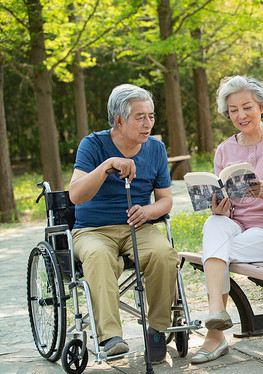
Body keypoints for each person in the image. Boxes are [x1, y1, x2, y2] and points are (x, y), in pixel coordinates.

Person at [191, 76, 263, 364]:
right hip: (240, 229)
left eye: (247, 107)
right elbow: (227, 206)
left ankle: (214, 331)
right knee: (213, 225)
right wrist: (219, 208)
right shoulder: (224, 150)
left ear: (261, 106)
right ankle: (217, 318)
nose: (240, 115)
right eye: (233, 110)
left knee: (214, 255)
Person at [68, 84, 180, 364]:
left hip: (138, 227)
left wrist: (149, 211)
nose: (148, 123)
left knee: (164, 254)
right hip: (93, 230)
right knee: (98, 256)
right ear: (119, 120)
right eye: (140, 117)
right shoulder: (92, 145)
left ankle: (157, 330)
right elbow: (75, 195)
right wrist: (106, 165)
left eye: (151, 116)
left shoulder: (155, 148)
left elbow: (165, 200)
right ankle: (110, 337)